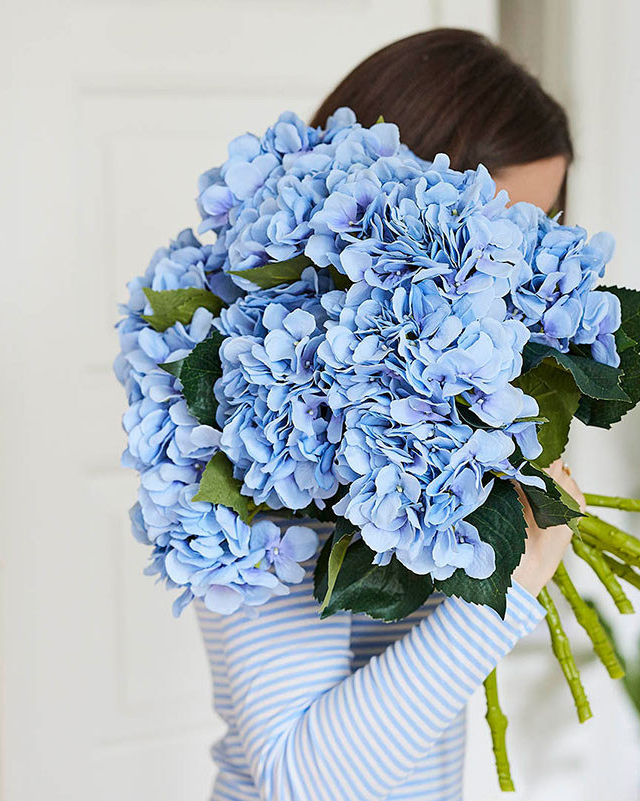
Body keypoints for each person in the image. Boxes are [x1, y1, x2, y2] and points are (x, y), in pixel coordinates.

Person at [197, 28, 584, 801]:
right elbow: (301, 783)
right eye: (507, 230)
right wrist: (512, 583)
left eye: (546, 227)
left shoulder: (453, 386)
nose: (523, 268)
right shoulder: (263, 416)